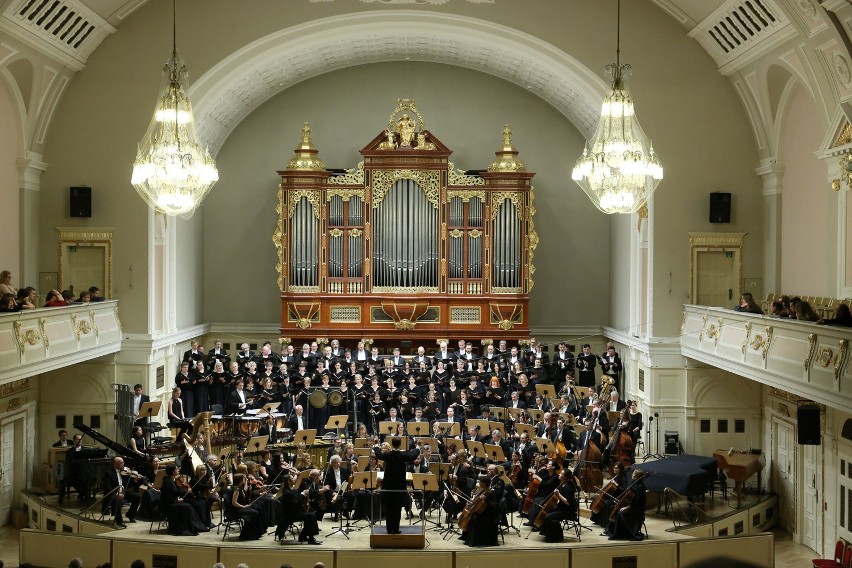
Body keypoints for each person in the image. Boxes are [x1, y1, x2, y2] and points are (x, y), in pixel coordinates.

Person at [374, 436, 419, 533]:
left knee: (389, 508)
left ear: (392, 444)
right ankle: (396, 529)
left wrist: (376, 444)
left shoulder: (388, 455)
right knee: (397, 509)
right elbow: (413, 455)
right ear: (400, 444)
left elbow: (378, 454)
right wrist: (418, 446)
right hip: (399, 486)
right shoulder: (403, 455)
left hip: (388, 486)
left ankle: (389, 529)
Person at [460, 464, 504, 547]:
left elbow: (494, 506)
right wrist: (472, 502)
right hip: (483, 511)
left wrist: (486, 499)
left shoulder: (492, 491)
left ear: (484, 484)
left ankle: (477, 541)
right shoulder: (483, 490)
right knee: (473, 516)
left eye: (480, 482)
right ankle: (469, 539)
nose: (479, 483)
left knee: (474, 518)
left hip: (490, 514)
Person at [159, 464, 209, 536]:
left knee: (191, 504)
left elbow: (178, 492)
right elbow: (165, 496)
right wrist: (176, 500)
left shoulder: (173, 480)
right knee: (187, 506)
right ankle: (185, 528)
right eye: (176, 469)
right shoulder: (166, 481)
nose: (178, 470)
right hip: (167, 505)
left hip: (174, 503)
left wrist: (186, 490)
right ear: (173, 472)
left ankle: (195, 526)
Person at [276, 469, 321, 544]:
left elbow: (296, 500)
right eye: (292, 478)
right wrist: (303, 495)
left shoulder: (291, 490)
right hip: (290, 514)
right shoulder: (287, 492)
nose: (294, 478)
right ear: (288, 481)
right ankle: (310, 538)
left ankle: (303, 536)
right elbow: (294, 504)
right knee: (311, 516)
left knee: (310, 515)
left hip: (294, 512)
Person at [539, 467, 579, 542]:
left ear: (565, 477)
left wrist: (558, 494)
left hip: (567, 511)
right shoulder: (562, 484)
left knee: (548, 517)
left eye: (561, 474)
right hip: (561, 508)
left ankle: (556, 537)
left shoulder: (568, 487)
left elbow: (567, 502)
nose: (559, 475)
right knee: (546, 513)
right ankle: (548, 534)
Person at [607, 469, 647, 541]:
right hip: (634, 507)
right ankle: (619, 532)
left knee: (620, 513)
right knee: (619, 511)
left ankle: (624, 533)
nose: (632, 475)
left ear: (637, 477)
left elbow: (638, 501)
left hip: (637, 510)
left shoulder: (641, 487)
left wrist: (628, 507)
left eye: (634, 474)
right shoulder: (637, 484)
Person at [101, 456, 140, 528]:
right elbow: (107, 487)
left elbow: (128, 485)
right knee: (117, 500)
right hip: (112, 494)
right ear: (115, 464)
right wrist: (116, 494)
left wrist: (135, 480)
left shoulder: (124, 472)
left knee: (137, 496)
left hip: (122, 492)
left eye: (123, 462)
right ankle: (119, 521)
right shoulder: (109, 473)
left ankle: (130, 514)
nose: (123, 464)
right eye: (121, 463)